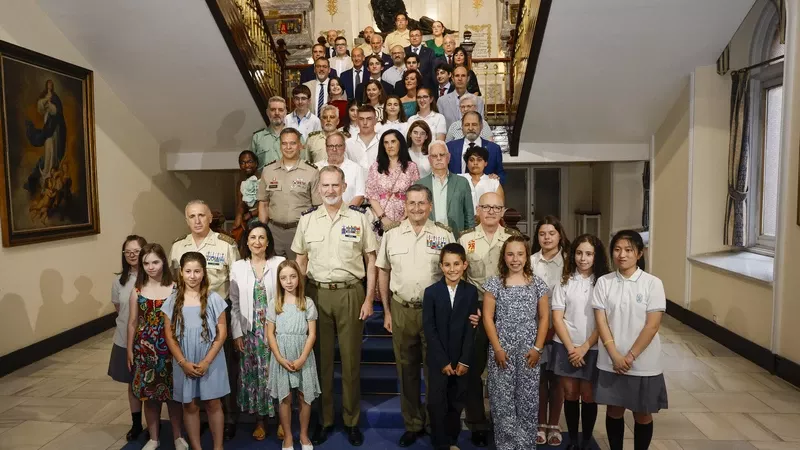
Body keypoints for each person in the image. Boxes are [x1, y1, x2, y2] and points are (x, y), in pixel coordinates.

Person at [291, 166, 378, 446]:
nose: (330, 190)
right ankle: (325, 420)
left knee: (351, 362)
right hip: (316, 295)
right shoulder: (307, 221)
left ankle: (351, 421)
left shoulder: (359, 219)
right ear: (319, 189)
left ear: (344, 186)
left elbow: (371, 261)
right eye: (325, 186)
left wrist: (368, 298)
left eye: (335, 185)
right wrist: (299, 300)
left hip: (351, 293)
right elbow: (300, 263)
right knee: (322, 363)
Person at [377, 184, 455, 447]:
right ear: (405, 205)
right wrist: (386, 310)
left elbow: (454, 272)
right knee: (406, 370)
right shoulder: (392, 235)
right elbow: (383, 272)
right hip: (401, 310)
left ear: (430, 206)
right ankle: (413, 423)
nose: (417, 208)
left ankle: (435, 423)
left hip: (435, 313)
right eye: (412, 203)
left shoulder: (444, 235)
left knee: (435, 372)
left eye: (422, 203)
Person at [169, 200, 240, 441]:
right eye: (192, 216)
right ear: (186, 219)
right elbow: (174, 282)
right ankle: (197, 419)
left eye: (202, 215)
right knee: (190, 366)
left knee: (223, 369)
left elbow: (235, 284)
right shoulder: (178, 247)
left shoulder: (226, 245)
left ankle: (228, 417)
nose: (197, 220)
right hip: (187, 314)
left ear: (211, 218)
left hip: (218, 311)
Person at [593, 231, 667, 450]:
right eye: (617, 250)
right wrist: (615, 355)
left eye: (628, 250)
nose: (622, 255)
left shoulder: (652, 283)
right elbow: (602, 322)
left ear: (639, 253)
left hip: (643, 362)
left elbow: (652, 325)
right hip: (611, 359)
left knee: (642, 413)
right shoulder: (604, 282)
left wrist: (630, 356)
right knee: (614, 410)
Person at [457, 192, 518, 447]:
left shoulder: (512, 240)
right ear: (478, 210)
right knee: (473, 370)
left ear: (503, 212)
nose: (491, 211)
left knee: (504, 370)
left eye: (496, 207)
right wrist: (469, 307)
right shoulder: (466, 239)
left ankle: (503, 419)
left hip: (506, 311)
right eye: (486, 207)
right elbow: (459, 277)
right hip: (477, 310)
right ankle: (477, 422)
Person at [483, 235, 551, 450]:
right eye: (510, 254)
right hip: (502, 352)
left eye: (520, 254)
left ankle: (525, 445)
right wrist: (497, 348)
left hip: (529, 353)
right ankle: (506, 445)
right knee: (502, 401)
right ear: (504, 257)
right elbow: (487, 318)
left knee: (528, 401)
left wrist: (537, 348)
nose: (515, 259)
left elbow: (544, 318)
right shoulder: (494, 284)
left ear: (526, 257)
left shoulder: (537, 284)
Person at [163, 252, 230, 450]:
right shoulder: (173, 301)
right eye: (188, 271)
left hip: (211, 358)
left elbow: (222, 332)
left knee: (213, 403)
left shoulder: (214, 298)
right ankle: (197, 447)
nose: (193, 276)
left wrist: (207, 361)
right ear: (181, 273)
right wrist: (182, 362)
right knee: (190, 405)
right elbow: (169, 335)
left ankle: (218, 447)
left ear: (204, 273)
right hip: (184, 360)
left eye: (197, 271)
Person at [230, 223, 286, 441]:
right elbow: (234, 303)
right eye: (252, 237)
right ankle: (260, 422)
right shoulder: (238, 267)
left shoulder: (279, 263)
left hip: (275, 331)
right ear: (246, 241)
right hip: (250, 334)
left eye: (262, 237)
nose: (257, 242)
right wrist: (237, 333)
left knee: (277, 376)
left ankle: (282, 420)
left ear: (268, 241)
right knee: (255, 377)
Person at [552, 234, 609, 450]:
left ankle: (586, 441)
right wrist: (571, 348)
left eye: (588, 254)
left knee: (588, 395)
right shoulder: (564, 280)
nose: (582, 258)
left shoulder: (604, 283)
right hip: (566, 345)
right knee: (570, 394)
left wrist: (585, 347)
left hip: (592, 347)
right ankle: (573, 440)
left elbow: (604, 321)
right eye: (578, 253)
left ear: (596, 256)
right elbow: (557, 318)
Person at [127, 243, 187, 450]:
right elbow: (132, 322)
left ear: (164, 262)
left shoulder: (176, 288)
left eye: (155, 262)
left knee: (174, 396)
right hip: (145, 351)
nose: (151, 267)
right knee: (149, 397)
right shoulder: (137, 290)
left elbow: (183, 318)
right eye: (146, 263)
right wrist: (129, 350)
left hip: (171, 348)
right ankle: (153, 437)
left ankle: (178, 436)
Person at [423, 243, 479, 450]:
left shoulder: (471, 292)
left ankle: (452, 440)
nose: (452, 269)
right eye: (447, 264)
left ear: (464, 265)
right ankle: (439, 443)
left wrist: (464, 359)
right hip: (439, 359)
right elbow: (429, 329)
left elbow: (471, 329)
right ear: (441, 266)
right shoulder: (431, 293)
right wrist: (443, 361)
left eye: (457, 264)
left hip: (461, 359)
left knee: (456, 401)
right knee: (436, 403)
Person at [267, 260, 322, 450]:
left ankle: (304, 435)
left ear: (299, 277)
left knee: (304, 396)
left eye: (292, 276)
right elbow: (270, 334)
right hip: (281, 355)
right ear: (279, 281)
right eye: (283, 278)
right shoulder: (275, 303)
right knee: (285, 398)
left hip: (303, 355)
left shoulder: (307, 303)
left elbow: (312, 334)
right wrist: (279, 358)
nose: (288, 281)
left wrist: (302, 358)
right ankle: (288, 436)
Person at [530, 214, 570, 446]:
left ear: (559, 235)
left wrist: (557, 326)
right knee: (540, 377)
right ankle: (540, 423)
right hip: (535, 326)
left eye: (551, 233)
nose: (546, 238)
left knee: (557, 378)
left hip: (562, 327)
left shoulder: (568, 261)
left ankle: (554, 423)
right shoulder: (531, 261)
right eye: (542, 234)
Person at [257, 128, 322, 260]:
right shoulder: (268, 170)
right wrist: (262, 231)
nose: (288, 147)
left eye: (292, 143)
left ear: (300, 145)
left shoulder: (312, 171)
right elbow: (263, 203)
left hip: (300, 231)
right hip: (274, 231)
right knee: (274, 273)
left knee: (299, 273)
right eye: (284, 143)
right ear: (280, 145)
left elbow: (317, 207)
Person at [109, 235, 147, 442]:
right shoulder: (118, 281)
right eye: (128, 252)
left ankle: (154, 423)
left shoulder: (152, 275)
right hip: (125, 339)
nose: (132, 255)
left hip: (150, 340)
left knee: (151, 383)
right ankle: (135, 424)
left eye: (136, 251)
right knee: (132, 383)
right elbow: (119, 309)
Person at [366, 129, 421, 234]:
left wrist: (405, 216)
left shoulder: (411, 167)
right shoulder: (375, 167)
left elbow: (416, 194)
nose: (389, 145)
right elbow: (371, 195)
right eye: (386, 143)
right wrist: (383, 218)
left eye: (393, 141)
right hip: (380, 218)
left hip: (406, 218)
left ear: (400, 143)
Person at [415, 141, 474, 237]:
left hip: (456, 238)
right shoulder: (420, 184)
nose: (438, 158)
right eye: (434, 156)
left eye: (442, 155)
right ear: (429, 160)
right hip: (427, 239)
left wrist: (470, 244)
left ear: (448, 157)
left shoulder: (462, 182)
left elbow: (469, 216)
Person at [447, 111, 505, 184]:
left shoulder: (494, 149)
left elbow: (501, 174)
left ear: (481, 126)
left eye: (474, 125)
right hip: (457, 192)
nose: (470, 128)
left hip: (484, 192)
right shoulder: (450, 147)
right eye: (467, 125)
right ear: (462, 127)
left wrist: (497, 178)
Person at [317, 131, 365, 207]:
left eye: (338, 146)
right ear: (326, 147)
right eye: (330, 146)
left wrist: (346, 213)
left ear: (344, 147)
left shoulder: (356, 168)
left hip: (350, 214)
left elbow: (360, 195)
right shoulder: (316, 168)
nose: (334, 149)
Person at [459, 147, 504, 216]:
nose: (475, 163)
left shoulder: (493, 182)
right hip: (462, 224)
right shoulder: (458, 179)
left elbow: (499, 209)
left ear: (485, 163)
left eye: (479, 160)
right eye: (471, 160)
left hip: (486, 223)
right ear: (467, 164)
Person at [250, 97, 289, 171]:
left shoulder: (297, 137)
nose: (277, 113)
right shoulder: (257, 138)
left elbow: (303, 166)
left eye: (280, 110)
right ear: (267, 112)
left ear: (285, 112)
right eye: (273, 110)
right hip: (264, 181)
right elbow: (252, 167)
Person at [233, 150, 260, 241]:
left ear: (256, 163)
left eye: (249, 162)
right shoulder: (240, 183)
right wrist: (239, 216)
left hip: (264, 219)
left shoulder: (264, 179)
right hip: (249, 221)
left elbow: (270, 204)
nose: (246, 165)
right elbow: (240, 204)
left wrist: (250, 214)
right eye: (242, 163)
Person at [345, 105, 380, 172]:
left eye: (369, 119)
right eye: (361, 119)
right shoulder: (348, 143)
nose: (365, 123)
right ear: (357, 121)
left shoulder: (383, 142)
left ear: (375, 121)